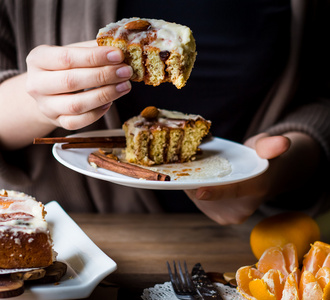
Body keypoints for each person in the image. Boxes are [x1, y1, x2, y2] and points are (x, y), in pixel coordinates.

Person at [0, 0, 329, 225]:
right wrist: (36, 98)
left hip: (246, 241)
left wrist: (271, 172)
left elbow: (319, 95)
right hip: (72, 236)